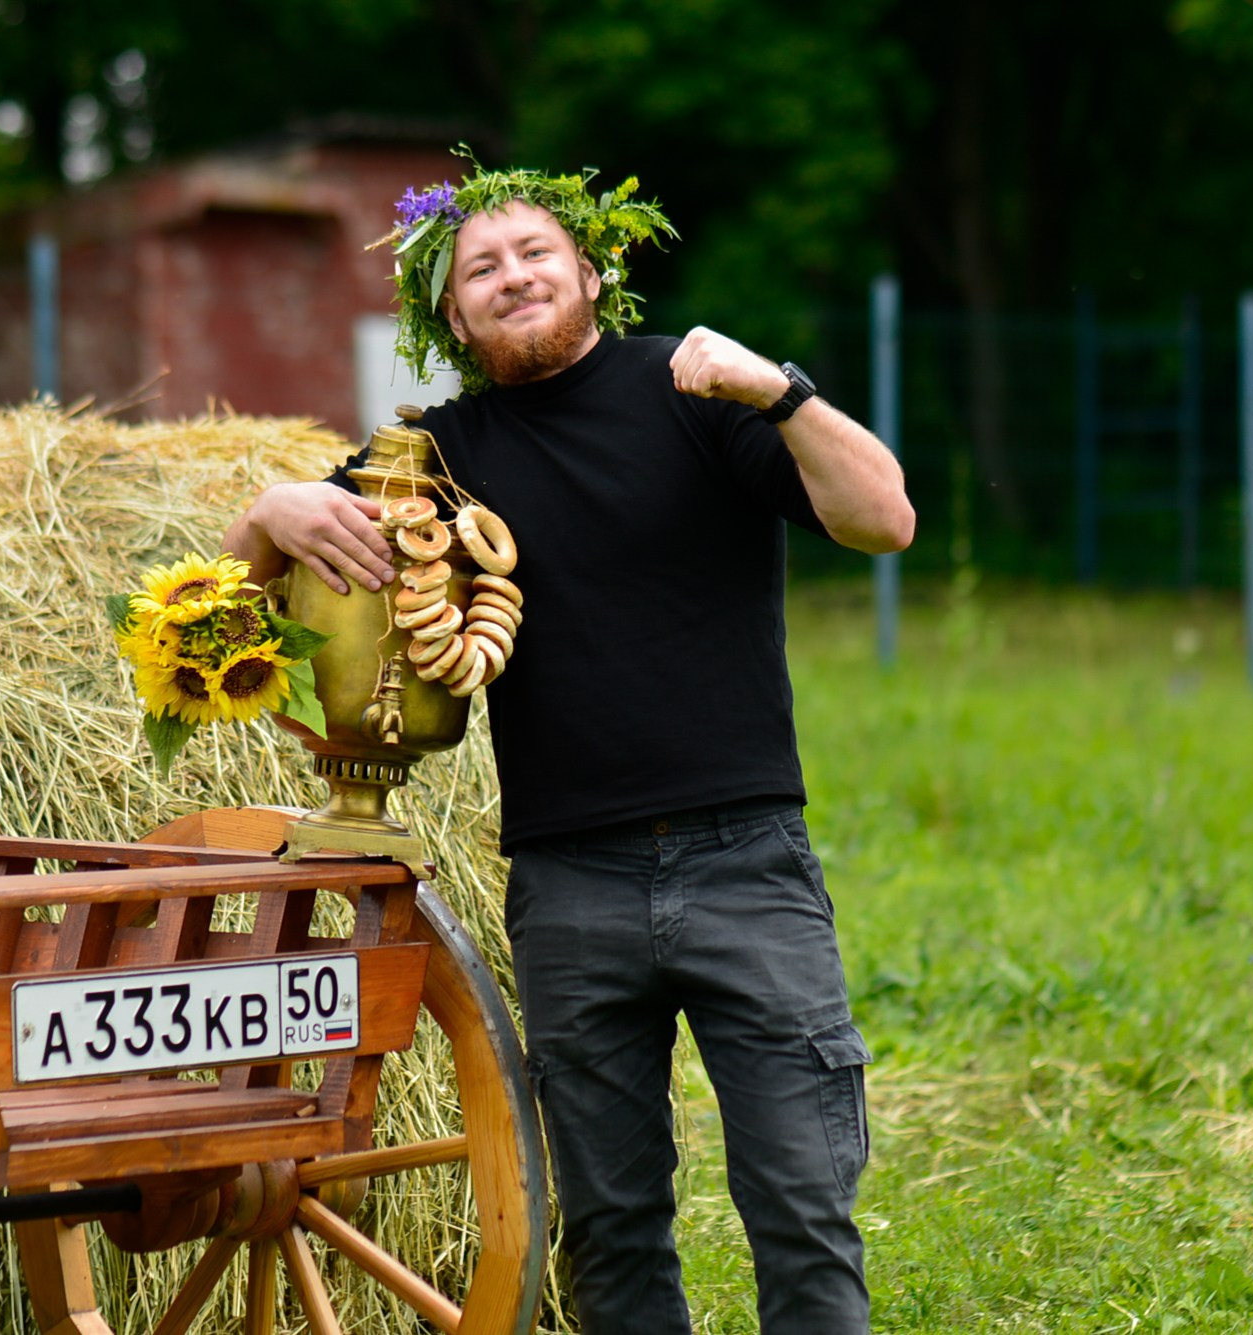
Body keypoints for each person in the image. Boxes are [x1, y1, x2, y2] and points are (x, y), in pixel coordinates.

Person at [224, 160, 913, 1334]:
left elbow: (883, 519)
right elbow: (227, 636)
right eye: (478, 270)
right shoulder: (427, 462)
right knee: (607, 1224)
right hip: (566, 883)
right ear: (450, 318)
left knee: (799, 1203)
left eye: (533, 253)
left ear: (591, 273)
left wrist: (778, 392)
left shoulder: (697, 396)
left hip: (745, 862)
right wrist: (266, 517)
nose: (510, 277)